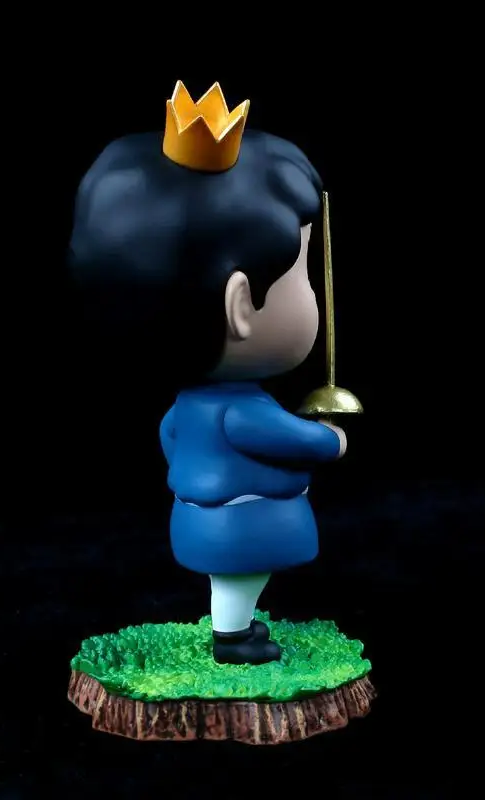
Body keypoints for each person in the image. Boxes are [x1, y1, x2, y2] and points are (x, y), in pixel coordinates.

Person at [68, 81, 346, 665]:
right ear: (240, 306)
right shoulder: (240, 412)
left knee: (240, 583)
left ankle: (235, 628)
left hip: (203, 519)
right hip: (237, 527)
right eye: (302, 274)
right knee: (241, 581)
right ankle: (232, 637)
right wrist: (330, 439)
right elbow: (292, 440)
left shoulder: (186, 410)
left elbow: (168, 436)